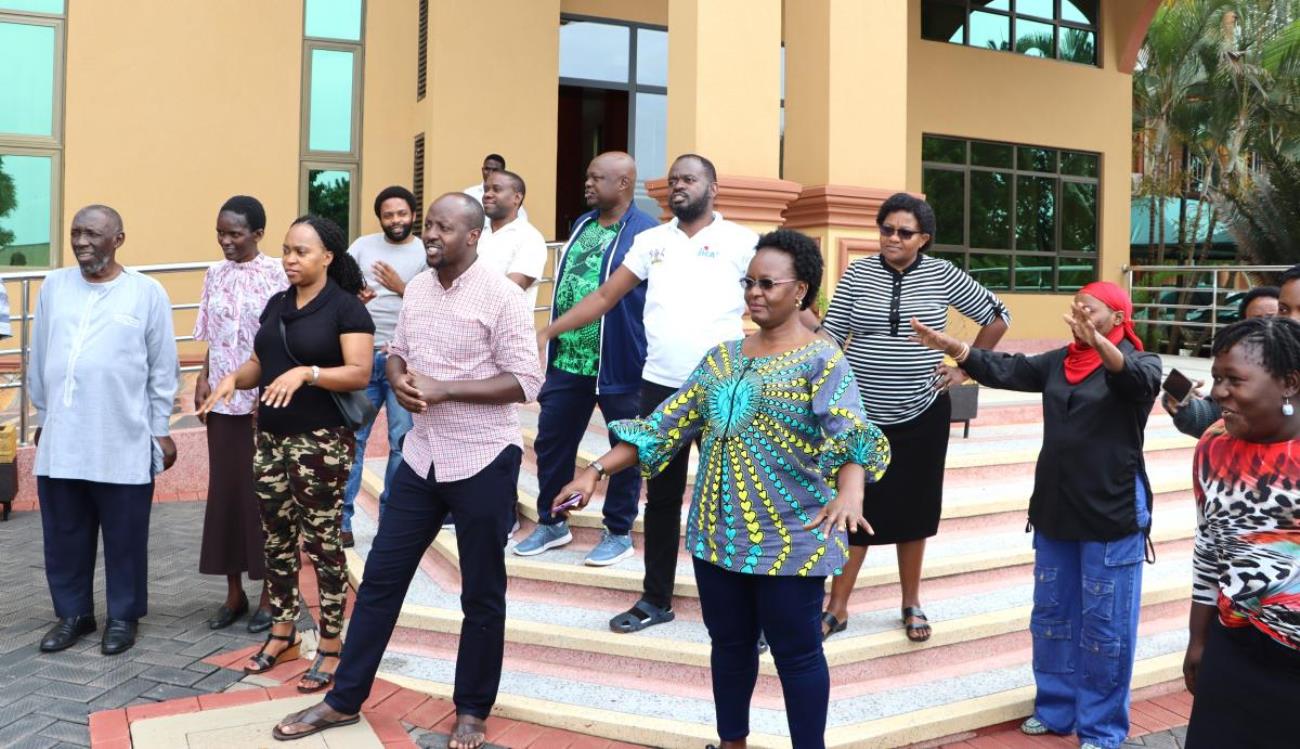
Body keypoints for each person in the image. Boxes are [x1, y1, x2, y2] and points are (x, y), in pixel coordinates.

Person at [554, 229, 890, 749]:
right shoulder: (720, 358)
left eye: (768, 284)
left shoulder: (823, 359)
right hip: (719, 535)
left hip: (791, 539)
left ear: (800, 290)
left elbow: (850, 434)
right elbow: (663, 427)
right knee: (729, 647)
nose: (755, 292)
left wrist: (852, 494)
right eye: (748, 282)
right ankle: (732, 742)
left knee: (797, 655)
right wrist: (594, 471)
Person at [270, 194, 543, 748]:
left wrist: (447, 390)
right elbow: (396, 351)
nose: (432, 234)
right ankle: (344, 700)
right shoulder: (416, 288)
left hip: (484, 460)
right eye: (431, 226)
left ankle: (471, 708)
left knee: (483, 594)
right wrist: (396, 377)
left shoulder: (502, 296)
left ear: (473, 236)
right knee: (380, 583)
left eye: (444, 227)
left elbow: (525, 381)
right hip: (421, 458)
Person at [911, 281, 1161, 749]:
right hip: (1055, 508)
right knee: (1051, 616)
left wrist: (1101, 343)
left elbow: (1134, 382)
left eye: (1091, 310)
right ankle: (1055, 708)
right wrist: (958, 349)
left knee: (1106, 625)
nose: (1079, 315)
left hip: (1112, 512)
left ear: (1118, 317)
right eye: (1076, 308)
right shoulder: (1059, 363)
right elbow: (1007, 369)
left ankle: (1102, 729)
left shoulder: (1141, 363)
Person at [819, 192, 1011, 643]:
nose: (892, 238)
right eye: (886, 229)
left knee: (915, 513)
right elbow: (830, 336)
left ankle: (910, 602)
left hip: (922, 415)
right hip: (860, 420)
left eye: (904, 232)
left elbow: (998, 316)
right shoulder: (858, 273)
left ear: (923, 239)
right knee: (853, 510)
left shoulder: (943, 276)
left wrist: (965, 368)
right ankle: (837, 606)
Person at [200, 215, 374, 693]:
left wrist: (309, 374)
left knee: (322, 545)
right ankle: (284, 633)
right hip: (271, 439)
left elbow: (359, 372)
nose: (290, 259)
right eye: (287, 250)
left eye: (301, 251)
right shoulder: (278, 303)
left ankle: (333, 646)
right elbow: (262, 361)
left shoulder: (345, 309)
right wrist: (232, 379)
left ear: (327, 257)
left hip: (320, 441)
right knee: (275, 540)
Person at [31, 205, 180, 656]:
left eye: (93, 233)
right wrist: (43, 417)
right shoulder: (55, 286)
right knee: (64, 534)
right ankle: (73, 614)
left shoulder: (146, 293)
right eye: (76, 232)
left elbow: (162, 367)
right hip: (64, 435)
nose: (81, 241)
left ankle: (122, 616)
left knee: (125, 536)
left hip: (123, 437)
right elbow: (39, 355)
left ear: (118, 239)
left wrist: (160, 428)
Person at [511, 152, 657, 566]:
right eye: (588, 176)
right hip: (569, 361)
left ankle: (618, 531)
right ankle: (553, 521)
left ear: (625, 184)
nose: (587, 184)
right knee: (552, 441)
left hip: (620, 361)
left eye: (598, 178)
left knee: (624, 445)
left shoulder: (647, 234)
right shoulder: (582, 225)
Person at [1182, 317, 1300, 748]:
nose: (1218, 393)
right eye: (1216, 378)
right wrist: (1199, 637)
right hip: (1236, 644)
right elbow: (1209, 544)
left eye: (1234, 380)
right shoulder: (1214, 443)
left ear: (1289, 382)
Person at [193, 196, 287, 633]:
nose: (226, 241)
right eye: (221, 233)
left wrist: (269, 395)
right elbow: (212, 336)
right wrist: (202, 376)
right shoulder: (214, 274)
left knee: (264, 497)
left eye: (235, 233)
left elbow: (284, 341)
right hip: (223, 405)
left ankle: (271, 594)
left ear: (258, 234)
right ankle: (233, 593)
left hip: (265, 401)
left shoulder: (278, 275)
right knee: (226, 495)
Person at [341, 186, 428, 543]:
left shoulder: (425, 250)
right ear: (380, 217)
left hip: (403, 361)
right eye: (389, 214)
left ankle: (390, 522)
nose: (396, 220)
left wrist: (402, 287)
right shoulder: (362, 245)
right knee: (352, 440)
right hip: (361, 357)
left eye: (402, 214)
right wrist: (353, 297)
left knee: (401, 442)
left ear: (412, 214)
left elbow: (436, 301)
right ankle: (342, 523)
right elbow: (337, 285)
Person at [1161, 285, 1278, 439]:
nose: (1266, 328)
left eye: (1273, 319)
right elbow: (1213, 416)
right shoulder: (1236, 366)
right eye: (1256, 322)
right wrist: (1183, 404)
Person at [478, 169, 548, 310]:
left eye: (496, 190)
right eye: (486, 189)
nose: (487, 195)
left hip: (505, 329)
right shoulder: (476, 232)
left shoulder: (530, 238)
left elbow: (512, 287)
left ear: (517, 198)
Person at [463, 153, 527, 226]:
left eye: (495, 170)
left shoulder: (511, 200)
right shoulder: (469, 194)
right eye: (487, 169)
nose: (490, 173)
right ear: (482, 170)